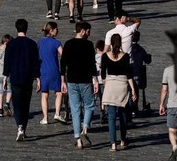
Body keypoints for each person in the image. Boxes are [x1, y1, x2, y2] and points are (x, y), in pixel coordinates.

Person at [60, 21, 99, 149]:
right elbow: (92, 65)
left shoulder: (68, 44)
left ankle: (78, 139)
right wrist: (95, 80)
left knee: (75, 109)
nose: (89, 33)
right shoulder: (88, 45)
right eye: (88, 31)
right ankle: (85, 128)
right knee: (89, 105)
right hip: (85, 80)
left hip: (71, 80)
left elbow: (63, 64)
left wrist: (63, 81)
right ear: (82, 31)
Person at [3, 19, 42, 141]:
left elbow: (7, 62)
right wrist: (38, 78)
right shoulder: (32, 44)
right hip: (28, 78)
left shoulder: (11, 44)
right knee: (26, 103)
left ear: (16, 28)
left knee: (17, 104)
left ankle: (19, 126)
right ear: (27, 28)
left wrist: (5, 77)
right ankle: (23, 127)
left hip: (15, 77)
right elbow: (36, 62)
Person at [101, 33, 137, 151]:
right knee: (122, 115)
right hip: (122, 85)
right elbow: (129, 74)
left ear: (111, 43)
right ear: (120, 43)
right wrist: (133, 90)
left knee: (111, 116)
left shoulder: (105, 56)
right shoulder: (125, 56)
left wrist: (106, 84)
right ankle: (122, 139)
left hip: (110, 85)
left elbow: (102, 74)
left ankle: (113, 144)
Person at [38, 22, 65, 124]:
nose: (57, 30)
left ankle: (45, 118)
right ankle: (57, 113)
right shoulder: (56, 43)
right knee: (59, 93)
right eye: (56, 29)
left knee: (44, 95)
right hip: (54, 70)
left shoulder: (40, 42)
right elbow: (63, 55)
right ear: (51, 30)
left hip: (43, 71)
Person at [128, 31, 152, 117]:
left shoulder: (128, 48)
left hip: (129, 73)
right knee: (135, 92)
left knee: (129, 92)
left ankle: (129, 109)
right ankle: (134, 109)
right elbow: (147, 60)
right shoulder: (141, 49)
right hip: (137, 73)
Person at [0, 35, 14, 117]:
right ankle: (7, 103)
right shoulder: (7, 53)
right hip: (7, 75)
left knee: (0, 93)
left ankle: (0, 110)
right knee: (9, 90)